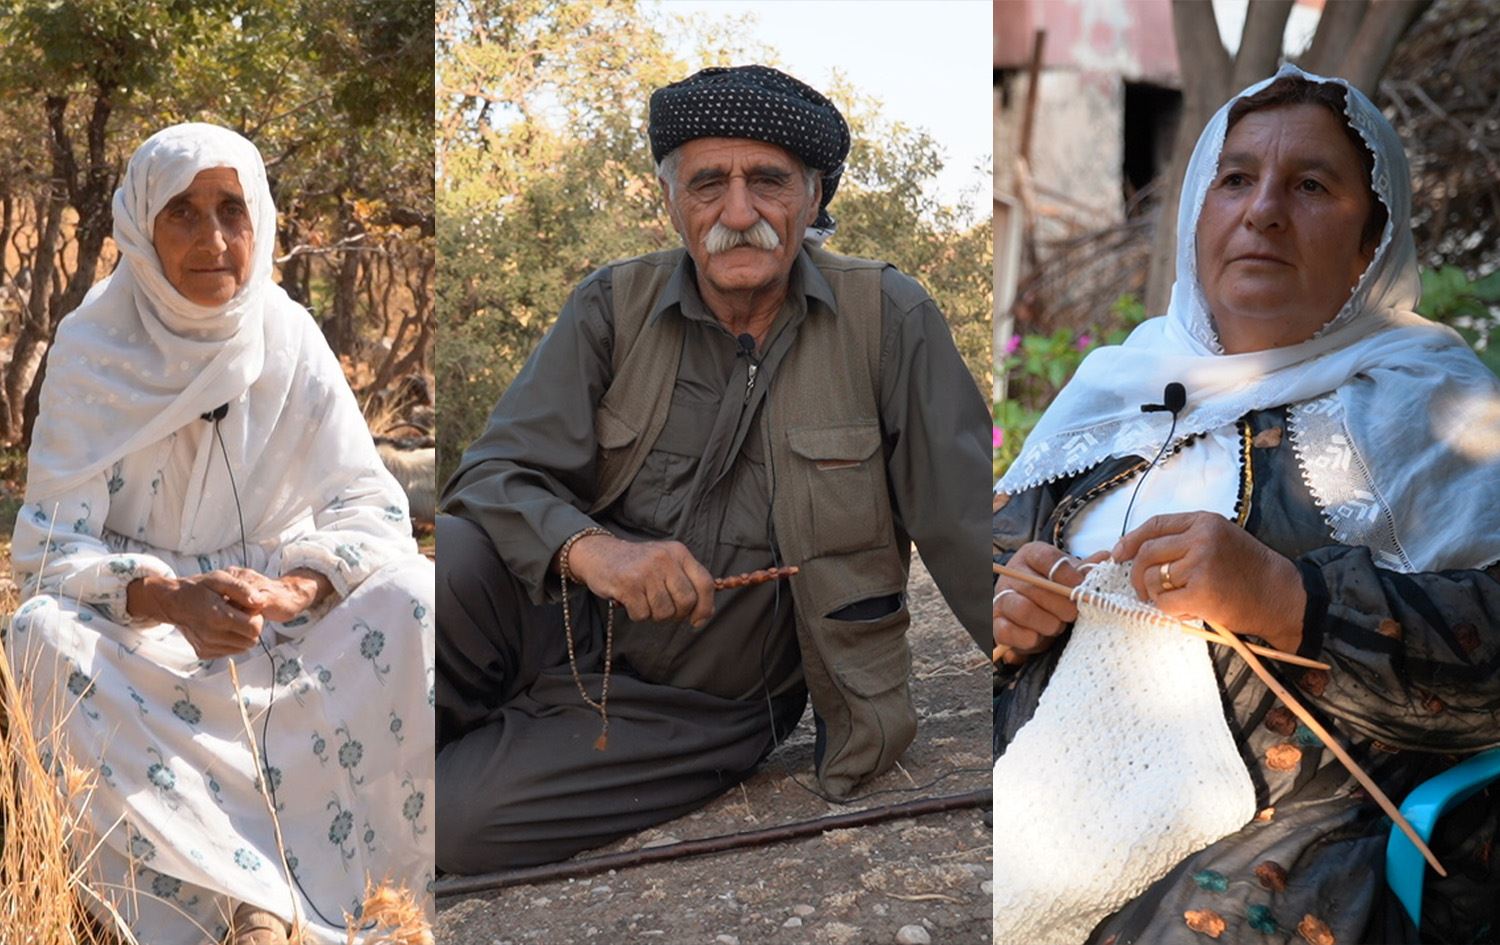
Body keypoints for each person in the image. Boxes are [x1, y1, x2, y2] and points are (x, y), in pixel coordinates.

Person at [436, 64, 989, 874]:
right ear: (672, 201)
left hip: (698, 707)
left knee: (452, 823)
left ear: (814, 196)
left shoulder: (889, 319)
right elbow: (490, 477)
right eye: (708, 185)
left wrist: (1046, 686)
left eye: (768, 181)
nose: (739, 213)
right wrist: (598, 554)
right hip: (558, 626)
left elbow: (970, 529)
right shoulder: (611, 307)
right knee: (447, 556)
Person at [992, 64, 1500, 945]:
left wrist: (1285, 597)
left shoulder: (1439, 408)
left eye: (1310, 185)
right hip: (1050, 782)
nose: (1262, 210)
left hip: (1299, 820)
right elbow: (986, 560)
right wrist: (1011, 604)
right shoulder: (1122, 387)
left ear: (1371, 238)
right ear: (1198, 216)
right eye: (1235, 180)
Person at [9, 124, 434, 945]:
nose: (213, 240)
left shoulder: (290, 334)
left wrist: (295, 588)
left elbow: (368, 506)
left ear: (261, 221)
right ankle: (226, 907)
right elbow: (50, 550)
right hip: (148, 639)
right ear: (140, 226)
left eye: (232, 211)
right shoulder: (91, 350)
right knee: (38, 636)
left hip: (285, 625)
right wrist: (170, 598)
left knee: (416, 596)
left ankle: (333, 898)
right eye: (183, 213)